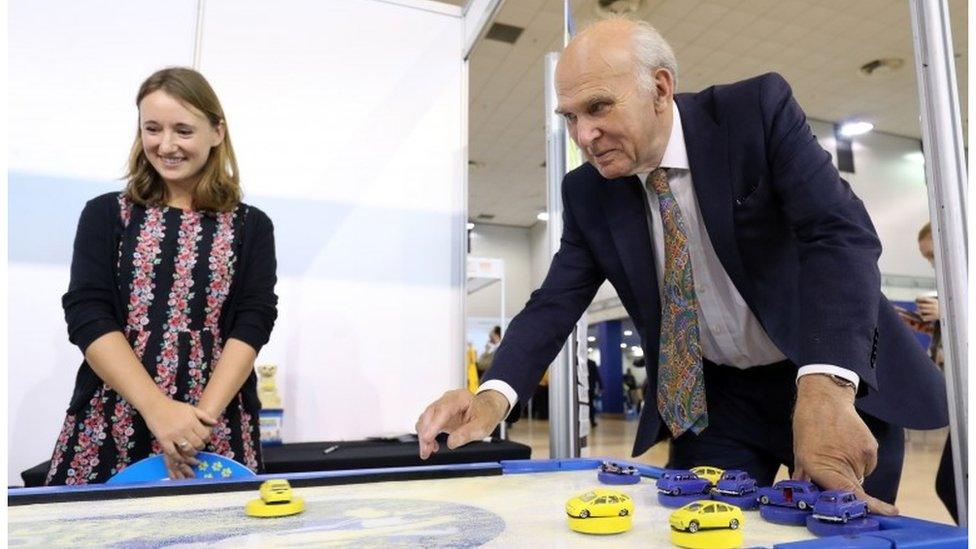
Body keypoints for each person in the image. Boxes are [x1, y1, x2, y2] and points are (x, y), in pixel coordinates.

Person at [415, 18, 948, 516]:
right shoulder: (588, 192)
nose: (583, 136)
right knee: (701, 531)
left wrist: (827, 388)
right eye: (571, 118)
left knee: (839, 534)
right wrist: (490, 399)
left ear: (661, 88)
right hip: (720, 402)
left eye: (598, 108)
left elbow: (840, 233)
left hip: (828, 376)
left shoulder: (754, 114)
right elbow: (556, 301)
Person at [45, 67, 278, 485]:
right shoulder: (105, 213)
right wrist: (157, 409)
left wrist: (197, 425)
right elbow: (88, 315)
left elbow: (253, 320)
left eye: (183, 131)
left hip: (214, 422)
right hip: (115, 416)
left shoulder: (251, 226)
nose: (165, 145)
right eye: (152, 129)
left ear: (217, 132)